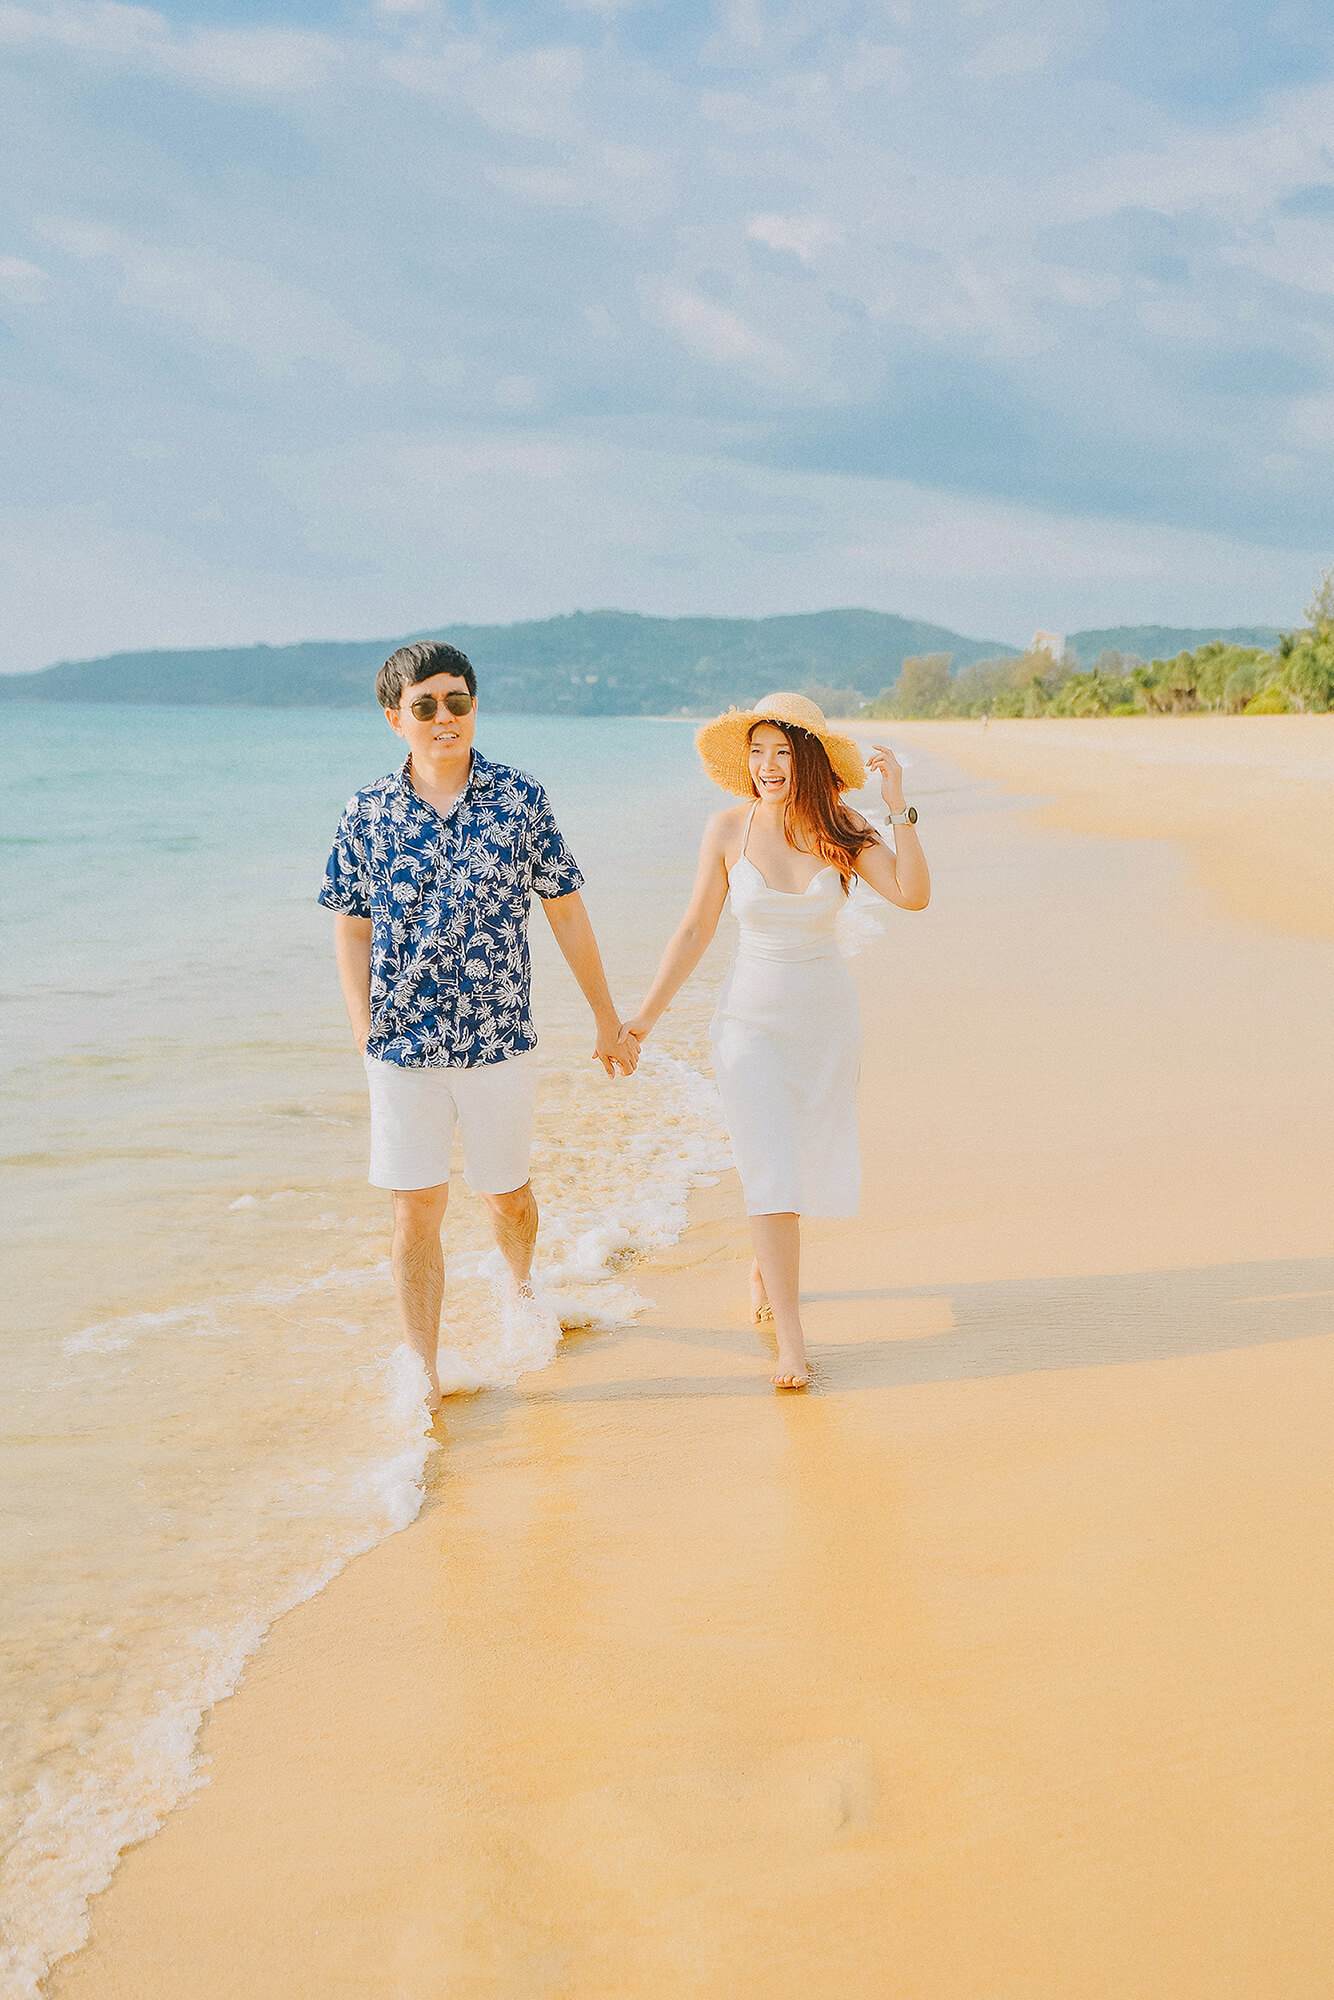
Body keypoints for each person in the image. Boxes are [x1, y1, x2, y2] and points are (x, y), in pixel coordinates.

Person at [319, 640, 638, 1409]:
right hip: (401, 1046)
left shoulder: (520, 799)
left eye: (456, 701)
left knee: (506, 1195)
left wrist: (607, 1017)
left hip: (498, 1042)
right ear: (394, 718)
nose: (443, 717)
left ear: (473, 707)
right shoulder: (366, 811)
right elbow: (352, 925)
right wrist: (362, 1026)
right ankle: (423, 1371)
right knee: (415, 1208)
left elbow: (565, 909)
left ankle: (521, 1291)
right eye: (424, 705)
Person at [621, 693, 929, 1391]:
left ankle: (766, 1262)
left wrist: (898, 805)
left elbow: (912, 893)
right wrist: (642, 1019)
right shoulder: (727, 828)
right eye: (757, 752)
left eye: (783, 752)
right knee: (771, 1175)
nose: (768, 766)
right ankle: (793, 1343)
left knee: (800, 1164)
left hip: (825, 1023)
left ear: (809, 759)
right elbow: (695, 930)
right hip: (748, 1026)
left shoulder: (844, 826)